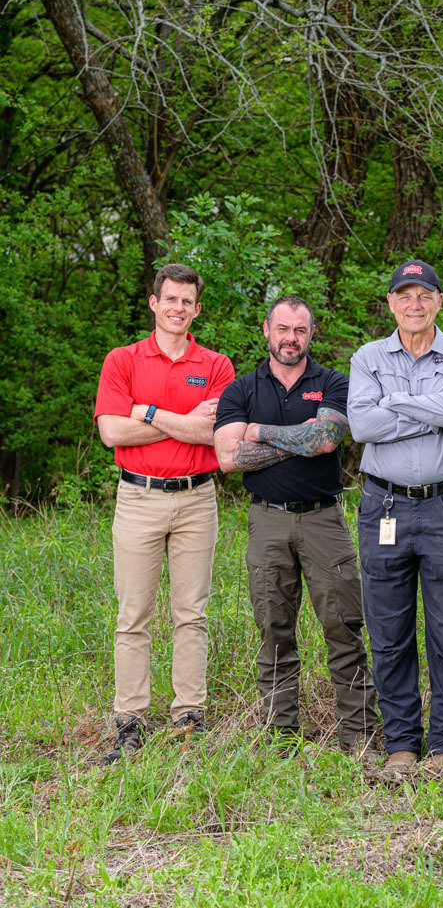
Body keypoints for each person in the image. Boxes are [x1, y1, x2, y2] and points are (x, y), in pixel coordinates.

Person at [213, 295, 377, 756]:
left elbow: (325, 439)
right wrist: (300, 440)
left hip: (324, 520)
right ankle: (280, 739)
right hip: (267, 521)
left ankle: (359, 737)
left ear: (311, 334)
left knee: (344, 627)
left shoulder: (333, 382)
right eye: (283, 329)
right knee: (273, 630)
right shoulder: (241, 390)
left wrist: (259, 432)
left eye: (300, 330)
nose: (291, 338)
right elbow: (228, 458)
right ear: (267, 330)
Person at [347, 261, 443, 780]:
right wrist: (432, 411)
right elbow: (362, 424)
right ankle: (402, 745)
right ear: (390, 303)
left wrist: (396, 403)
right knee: (389, 632)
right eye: (404, 296)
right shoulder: (367, 358)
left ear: (439, 301)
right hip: (384, 505)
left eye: (424, 295)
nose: (415, 305)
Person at [95, 263, 234, 763]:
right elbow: (112, 432)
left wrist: (148, 412)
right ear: (154, 303)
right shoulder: (123, 360)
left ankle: (188, 716)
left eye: (187, 301)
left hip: (197, 499)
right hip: (139, 498)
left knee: (191, 614)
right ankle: (129, 720)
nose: (178, 308)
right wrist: (182, 422)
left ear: (197, 309)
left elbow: (214, 434)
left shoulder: (216, 366)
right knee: (133, 615)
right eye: (170, 299)